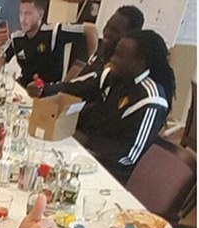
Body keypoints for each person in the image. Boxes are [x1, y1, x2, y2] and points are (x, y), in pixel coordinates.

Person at [41, 30, 174, 184]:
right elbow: (80, 88)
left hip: (110, 173)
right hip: (83, 154)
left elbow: (129, 155)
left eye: (120, 56)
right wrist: (46, 89)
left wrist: (85, 141)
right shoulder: (114, 76)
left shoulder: (150, 100)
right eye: (115, 53)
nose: (112, 59)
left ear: (140, 62)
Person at [26, 6, 144, 97]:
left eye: (114, 30)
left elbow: (87, 85)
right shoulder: (103, 47)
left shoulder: (117, 64)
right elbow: (80, 77)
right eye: (107, 26)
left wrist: (48, 89)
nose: (107, 32)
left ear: (129, 35)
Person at [0, 0, 98, 86]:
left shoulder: (53, 32)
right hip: (23, 90)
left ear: (40, 15)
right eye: (21, 13)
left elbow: (91, 30)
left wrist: (90, 64)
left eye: (28, 14)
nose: (23, 19)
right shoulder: (17, 37)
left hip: (48, 92)